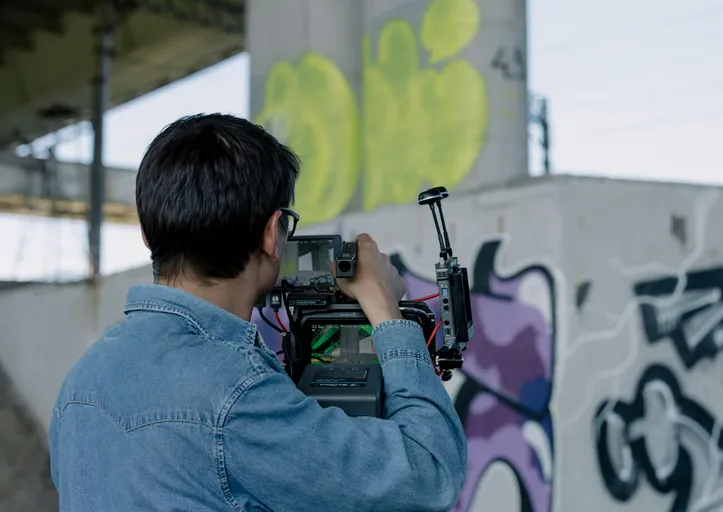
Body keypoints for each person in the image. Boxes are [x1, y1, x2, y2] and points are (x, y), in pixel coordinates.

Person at [49, 113, 468, 511]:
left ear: (146, 233)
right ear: (273, 234)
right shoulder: (237, 394)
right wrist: (384, 309)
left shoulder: (80, 384)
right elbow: (430, 473)